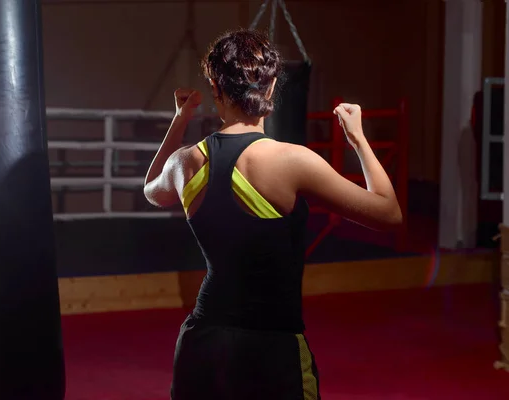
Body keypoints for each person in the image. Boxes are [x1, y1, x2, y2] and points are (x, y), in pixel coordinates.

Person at [143, 29, 402, 400]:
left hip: (202, 343)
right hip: (271, 349)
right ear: (271, 86)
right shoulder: (293, 161)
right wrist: (358, 139)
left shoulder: (185, 163)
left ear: (216, 87)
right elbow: (389, 213)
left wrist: (181, 118)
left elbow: (152, 188)